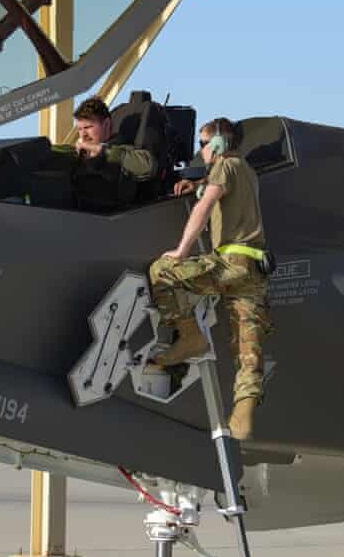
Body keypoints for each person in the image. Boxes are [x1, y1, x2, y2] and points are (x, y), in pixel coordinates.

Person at [148, 117, 272, 440]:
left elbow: (204, 208)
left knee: (162, 271)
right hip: (255, 269)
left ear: (218, 145)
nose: (200, 151)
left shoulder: (224, 166)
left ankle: (190, 336)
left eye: (203, 144)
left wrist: (181, 250)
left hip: (229, 263)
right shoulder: (246, 170)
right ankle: (243, 414)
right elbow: (225, 195)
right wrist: (199, 185)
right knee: (247, 345)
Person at [62, 97, 158, 211]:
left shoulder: (123, 151)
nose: (83, 135)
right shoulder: (79, 154)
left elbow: (148, 167)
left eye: (88, 127)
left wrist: (102, 150)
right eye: (80, 129)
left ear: (106, 124)